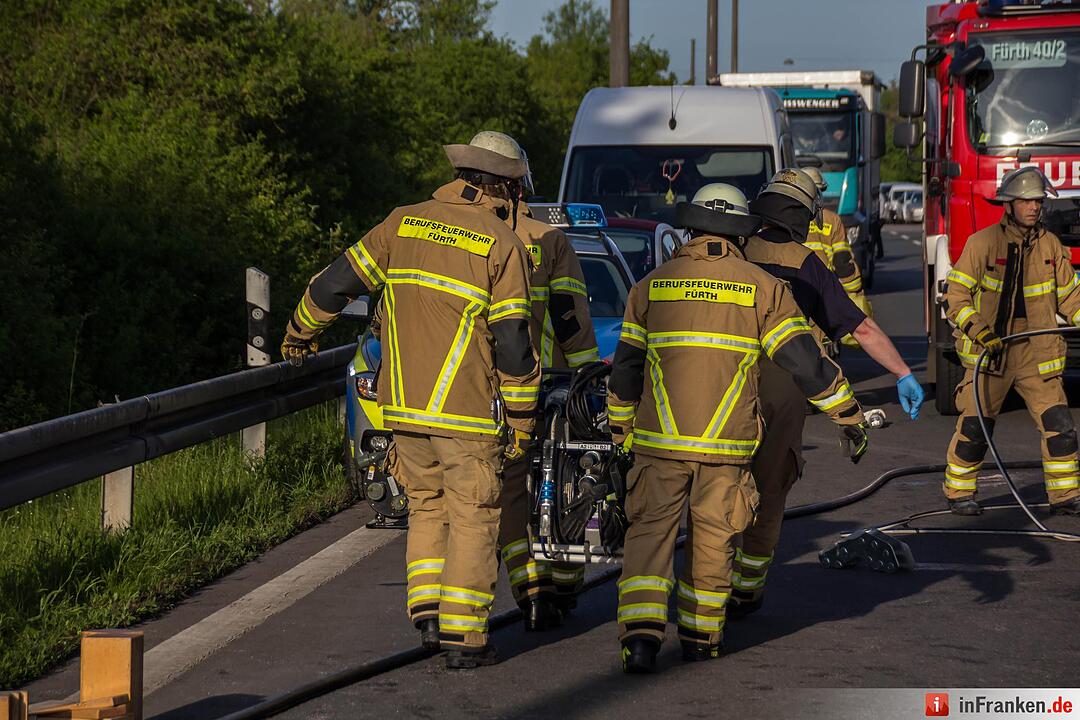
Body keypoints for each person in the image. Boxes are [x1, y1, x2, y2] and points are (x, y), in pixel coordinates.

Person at [280, 131, 539, 669]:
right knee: (472, 513)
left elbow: (334, 285)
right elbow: (514, 345)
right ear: (507, 190)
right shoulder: (503, 246)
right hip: (465, 414)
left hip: (402, 408)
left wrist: (299, 331)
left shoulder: (403, 222)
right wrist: (520, 419)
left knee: (427, 505)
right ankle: (465, 639)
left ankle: (426, 615)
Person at [608, 183, 870, 673]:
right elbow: (805, 364)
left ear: (691, 226)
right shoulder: (762, 289)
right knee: (713, 540)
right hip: (725, 447)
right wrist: (849, 415)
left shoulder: (651, 285)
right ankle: (701, 637)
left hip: (658, 443)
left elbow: (626, 368)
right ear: (738, 231)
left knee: (648, 538)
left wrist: (622, 427)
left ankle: (640, 640)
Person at [733, 168, 924, 618]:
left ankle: (707, 584)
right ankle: (746, 591)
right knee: (770, 488)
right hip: (783, 388)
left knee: (714, 486)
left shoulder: (731, 253)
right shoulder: (805, 265)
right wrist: (901, 373)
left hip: (719, 386)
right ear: (801, 216)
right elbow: (859, 325)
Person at [496, 138, 600, 630]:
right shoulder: (548, 240)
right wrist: (586, 383)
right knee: (564, 485)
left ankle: (527, 589)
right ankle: (556, 587)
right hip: (543, 389)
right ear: (520, 185)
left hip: (470, 394)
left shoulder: (450, 241)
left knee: (503, 498)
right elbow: (571, 320)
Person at [942, 166, 1080, 516]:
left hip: (1038, 352)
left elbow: (1072, 298)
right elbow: (955, 296)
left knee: (1060, 426)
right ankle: (958, 492)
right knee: (976, 427)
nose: (1034, 207)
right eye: (1026, 201)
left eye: (1038, 201)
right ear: (1010, 204)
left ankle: (1065, 496)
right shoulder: (982, 244)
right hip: (992, 353)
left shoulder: (1051, 247)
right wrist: (978, 330)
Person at [802, 166, 872, 350]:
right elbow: (842, 263)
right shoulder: (832, 220)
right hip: (822, 291)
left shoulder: (787, 218)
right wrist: (854, 289)